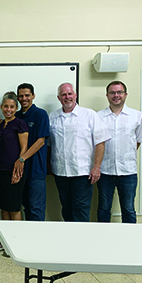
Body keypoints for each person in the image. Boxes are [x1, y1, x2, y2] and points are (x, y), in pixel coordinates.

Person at [49, 83, 110, 222]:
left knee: (81, 208)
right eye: (64, 95)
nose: (67, 97)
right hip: (61, 172)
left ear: (75, 95)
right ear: (59, 98)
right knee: (66, 207)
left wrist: (97, 167)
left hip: (82, 172)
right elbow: (49, 144)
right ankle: (70, 239)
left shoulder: (89, 114)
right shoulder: (52, 117)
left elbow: (100, 142)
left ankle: (82, 240)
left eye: (70, 94)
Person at [97, 81, 142, 223]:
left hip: (128, 171)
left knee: (128, 209)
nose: (116, 95)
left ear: (125, 94)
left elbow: (138, 141)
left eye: (119, 92)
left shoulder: (137, 116)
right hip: (105, 171)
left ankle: (130, 241)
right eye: (112, 93)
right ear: (107, 95)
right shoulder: (98, 116)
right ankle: (103, 238)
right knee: (103, 208)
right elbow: (95, 143)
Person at [0, 92, 28, 254]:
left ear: (16, 108)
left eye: (12, 107)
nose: (9, 109)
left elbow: (24, 148)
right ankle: (4, 241)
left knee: (14, 207)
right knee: (3, 207)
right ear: (1, 107)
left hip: (14, 171)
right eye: (6, 106)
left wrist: (19, 166)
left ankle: (16, 243)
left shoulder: (20, 124)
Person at [14, 83, 50, 221]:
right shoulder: (16, 116)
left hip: (36, 171)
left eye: (27, 95)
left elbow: (41, 141)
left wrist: (22, 159)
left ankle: (38, 241)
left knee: (36, 209)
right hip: (19, 172)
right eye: (21, 96)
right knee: (24, 206)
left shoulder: (40, 114)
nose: (24, 98)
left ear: (33, 96)